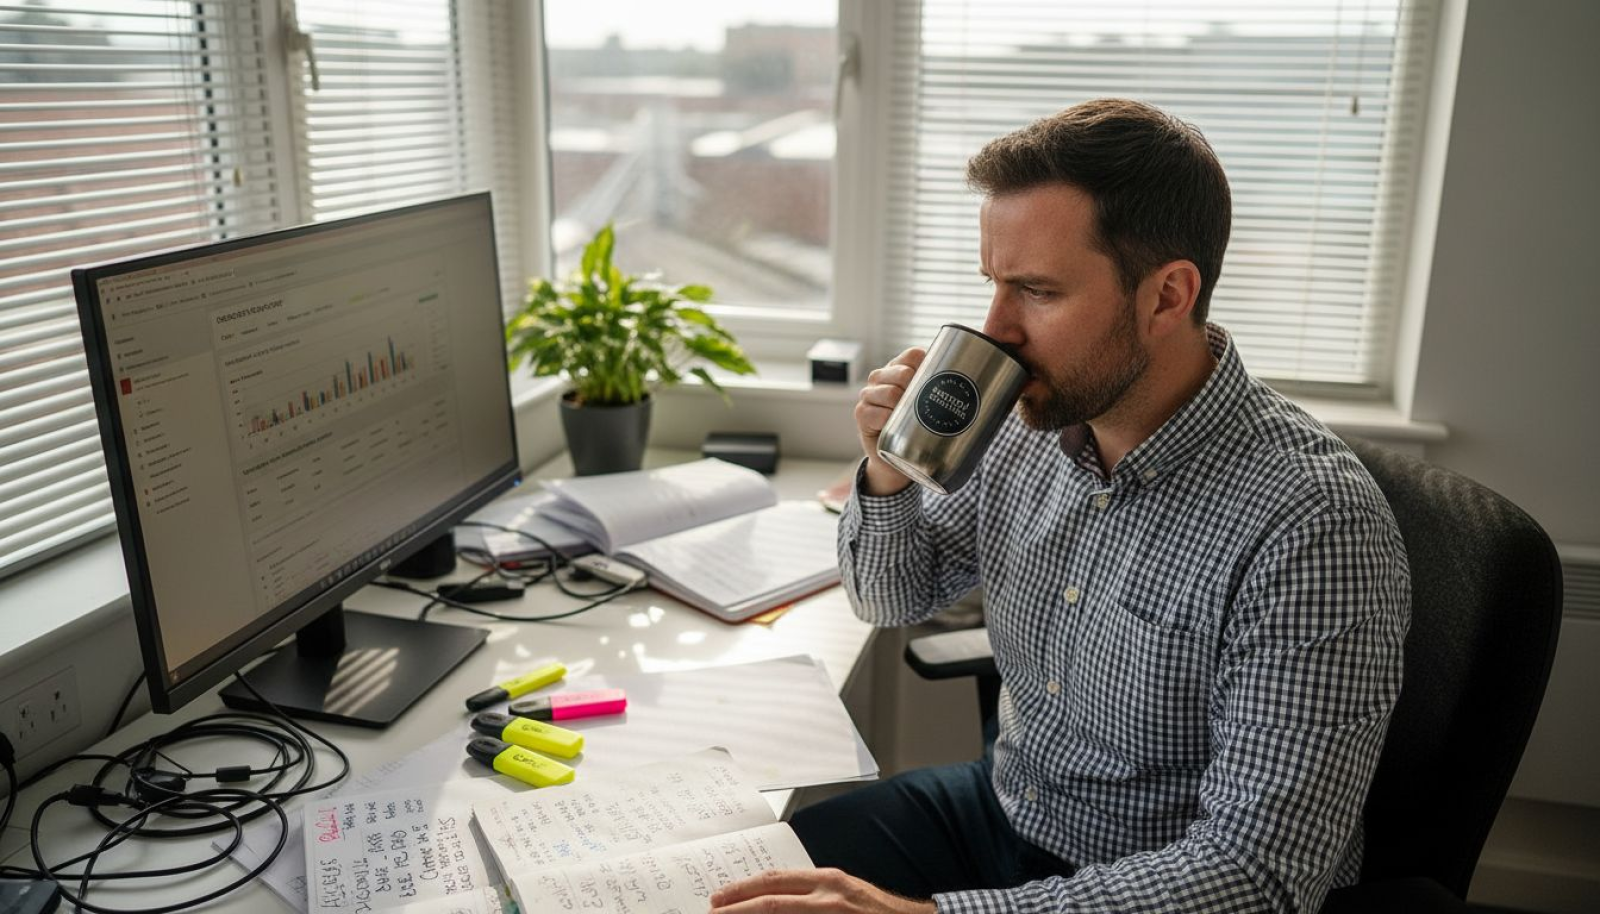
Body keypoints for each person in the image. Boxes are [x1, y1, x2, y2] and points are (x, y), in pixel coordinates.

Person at [710, 98, 1410, 913]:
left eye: (1036, 291)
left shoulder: (1314, 525)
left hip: (1158, 878)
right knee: (725, 889)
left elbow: (1256, 875)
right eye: (993, 285)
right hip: (1000, 808)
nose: (995, 329)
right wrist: (889, 472)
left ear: (1166, 296)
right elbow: (892, 594)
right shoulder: (1028, 419)